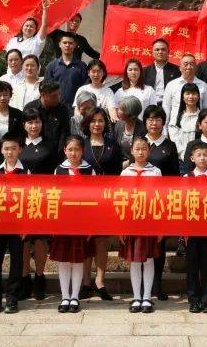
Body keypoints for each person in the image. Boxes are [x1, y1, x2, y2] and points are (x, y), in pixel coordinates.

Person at [81, 106, 122, 300]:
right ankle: (85, 281)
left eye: (100, 121)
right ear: (87, 123)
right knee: (85, 240)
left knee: (101, 241)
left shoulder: (113, 144)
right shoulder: (80, 144)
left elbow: (116, 175)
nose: (97, 124)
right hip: (85, 200)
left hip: (106, 199)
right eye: (93, 121)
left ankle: (100, 281)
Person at [52, 136, 96, 313]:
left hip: (81, 221)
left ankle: (75, 296)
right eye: (70, 149)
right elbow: (54, 197)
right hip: (63, 221)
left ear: (82, 151)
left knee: (78, 260)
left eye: (77, 149)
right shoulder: (59, 170)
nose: (73, 153)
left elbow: (94, 198)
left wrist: (91, 224)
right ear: (64, 150)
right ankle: (64, 297)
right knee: (63, 260)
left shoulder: (89, 170)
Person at [119, 136, 162, 314]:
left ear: (149, 151)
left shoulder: (156, 172)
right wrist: (121, 225)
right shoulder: (125, 173)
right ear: (131, 151)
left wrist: (160, 227)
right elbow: (120, 199)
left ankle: (147, 297)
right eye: (137, 148)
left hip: (150, 220)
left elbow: (161, 199)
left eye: (144, 148)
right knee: (135, 261)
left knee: (149, 259)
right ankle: (136, 297)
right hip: (131, 221)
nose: (141, 152)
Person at [0, 132, 28, 314]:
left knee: (17, 262)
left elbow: (30, 199)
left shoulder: (26, 171)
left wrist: (26, 225)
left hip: (18, 225)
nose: (10, 152)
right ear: (1, 150)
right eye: (6, 149)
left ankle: (12, 298)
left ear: (20, 150)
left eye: (13, 148)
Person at [17, 108, 55, 300]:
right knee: (23, 241)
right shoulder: (17, 145)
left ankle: (39, 277)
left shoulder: (50, 145)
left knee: (40, 240)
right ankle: (24, 278)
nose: (34, 126)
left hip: (43, 199)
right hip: (21, 200)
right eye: (30, 122)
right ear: (24, 125)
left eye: (37, 122)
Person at [143, 105, 179, 302]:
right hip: (140, 203)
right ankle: (141, 284)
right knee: (141, 244)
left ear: (162, 122)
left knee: (159, 244)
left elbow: (174, 176)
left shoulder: (169, 146)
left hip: (160, 203)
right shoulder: (139, 144)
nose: (153, 122)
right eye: (149, 119)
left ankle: (157, 284)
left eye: (157, 119)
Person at [182, 143, 207, 313]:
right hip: (192, 228)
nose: (202, 158)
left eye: (205, 155)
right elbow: (181, 204)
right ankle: (193, 300)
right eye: (199, 155)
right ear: (192, 158)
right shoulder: (186, 178)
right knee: (192, 266)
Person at [163, 55, 207, 127]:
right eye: (185, 64)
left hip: (196, 127)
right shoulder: (171, 85)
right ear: (180, 68)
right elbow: (166, 108)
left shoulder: (203, 86)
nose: (189, 67)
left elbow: (206, 109)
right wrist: (164, 129)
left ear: (196, 67)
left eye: (192, 64)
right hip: (176, 128)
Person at [45, 32, 89, 108]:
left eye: (70, 43)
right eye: (64, 43)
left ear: (75, 45)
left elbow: (85, 87)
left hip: (75, 108)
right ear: (60, 44)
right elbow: (47, 87)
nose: (67, 45)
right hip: (55, 107)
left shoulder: (82, 66)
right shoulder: (52, 66)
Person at [169, 83, 203, 160]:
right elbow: (175, 139)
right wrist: (185, 155)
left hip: (200, 159)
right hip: (181, 159)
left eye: (194, 93)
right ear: (182, 97)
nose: (191, 97)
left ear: (198, 97)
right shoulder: (176, 117)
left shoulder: (202, 116)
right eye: (187, 93)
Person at [142, 38, 181, 105]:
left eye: (163, 49)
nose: (160, 52)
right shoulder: (145, 71)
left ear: (168, 52)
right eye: (157, 50)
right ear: (152, 52)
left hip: (170, 104)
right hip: (150, 104)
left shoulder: (177, 70)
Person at [114, 96, 146, 160]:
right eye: (119, 108)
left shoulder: (143, 129)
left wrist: (128, 163)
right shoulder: (119, 124)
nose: (118, 111)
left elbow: (143, 153)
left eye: (121, 109)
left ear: (130, 112)